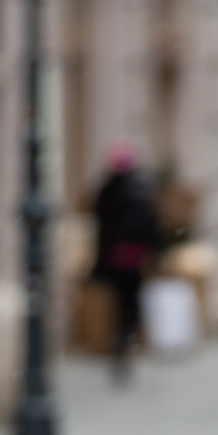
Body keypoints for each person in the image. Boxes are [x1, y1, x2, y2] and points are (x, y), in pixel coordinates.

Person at [90, 143, 163, 379]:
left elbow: (100, 223)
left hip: (113, 256)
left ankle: (121, 338)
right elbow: (149, 223)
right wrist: (155, 250)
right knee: (130, 303)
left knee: (120, 301)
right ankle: (126, 337)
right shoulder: (139, 188)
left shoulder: (107, 189)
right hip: (132, 257)